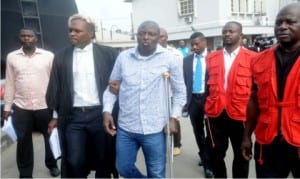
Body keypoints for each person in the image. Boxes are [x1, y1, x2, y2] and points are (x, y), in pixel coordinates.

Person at [102, 21, 186, 178]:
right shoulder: (123, 58)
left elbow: (180, 92)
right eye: (142, 33)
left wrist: (174, 117)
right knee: (123, 167)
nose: (146, 37)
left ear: (158, 37)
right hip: (127, 126)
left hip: (155, 128)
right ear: (137, 35)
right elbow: (111, 87)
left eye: (151, 34)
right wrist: (106, 111)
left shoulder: (169, 59)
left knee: (156, 172)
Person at [46, 14, 119, 178]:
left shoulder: (109, 54)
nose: (72, 34)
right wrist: (55, 117)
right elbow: (57, 89)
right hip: (73, 117)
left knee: (103, 159)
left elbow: (120, 83)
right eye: (70, 30)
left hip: (101, 115)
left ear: (90, 33)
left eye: (77, 31)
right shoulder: (61, 56)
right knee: (75, 160)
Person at [241, 2, 300, 178]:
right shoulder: (259, 60)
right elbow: (253, 100)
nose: (282, 26)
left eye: (290, 22)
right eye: (278, 22)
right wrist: (246, 136)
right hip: (267, 140)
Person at [2, 27, 60, 178]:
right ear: (20, 38)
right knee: (23, 141)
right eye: (23, 36)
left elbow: (55, 83)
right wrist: (7, 107)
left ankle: (52, 165)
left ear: (36, 38)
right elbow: (10, 83)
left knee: (50, 137)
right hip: (21, 107)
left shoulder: (48, 56)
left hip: (44, 106)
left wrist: (56, 108)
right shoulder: (11, 57)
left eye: (30, 36)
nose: (26, 38)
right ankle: (25, 174)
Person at [204, 21, 257, 178]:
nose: (227, 34)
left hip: (240, 116)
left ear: (240, 35)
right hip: (216, 114)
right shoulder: (211, 58)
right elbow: (207, 85)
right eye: (224, 31)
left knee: (241, 156)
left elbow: (256, 90)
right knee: (216, 155)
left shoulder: (253, 58)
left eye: (231, 31)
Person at [183, 32, 214, 178]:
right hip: (193, 100)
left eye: (197, 44)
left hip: (209, 100)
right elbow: (184, 81)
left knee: (211, 131)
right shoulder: (187, 61)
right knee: (198, 131)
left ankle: (209, 158)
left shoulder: (213, 58)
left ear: (204, 42)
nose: (194, 47)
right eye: (192, 45)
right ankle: (205, 158)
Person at [159, 27, 184, 156]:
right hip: (156, 94)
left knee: (174, 118)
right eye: (157, 36)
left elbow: (179, 76)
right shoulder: (149, 53)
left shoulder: (175, 54)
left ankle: (176, 144)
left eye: (162, 36)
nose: (159, 39)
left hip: (171, 92)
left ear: (167, 38)